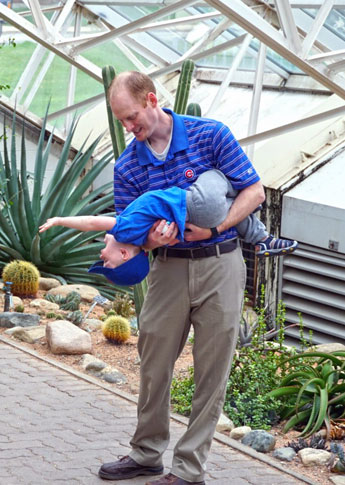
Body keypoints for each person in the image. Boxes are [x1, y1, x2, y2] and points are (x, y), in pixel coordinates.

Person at [95, 71, 267, 485]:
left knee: (212, 370)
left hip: (220, 263)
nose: (128, 128)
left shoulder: (210, 136)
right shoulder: (128, 166)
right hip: (168, 268)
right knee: (153, 364)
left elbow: (254, 192)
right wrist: (148, 239)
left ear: (152, 100)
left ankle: (189, 470)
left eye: (132, 117)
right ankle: (146, 454)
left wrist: (216, 228)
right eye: (121, 122)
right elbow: (130, 233)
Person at [38, 169, 297, 285]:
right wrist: (61, 220)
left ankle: (261, 238)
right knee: (218, 176)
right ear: (125, 254)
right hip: (197, 203)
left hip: (201, 218)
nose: (101, 257)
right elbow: (92, 222)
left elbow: (172, 240)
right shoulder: (125, 230)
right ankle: (249, 202)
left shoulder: (145, 237)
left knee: (233, 209)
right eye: (106, 262)